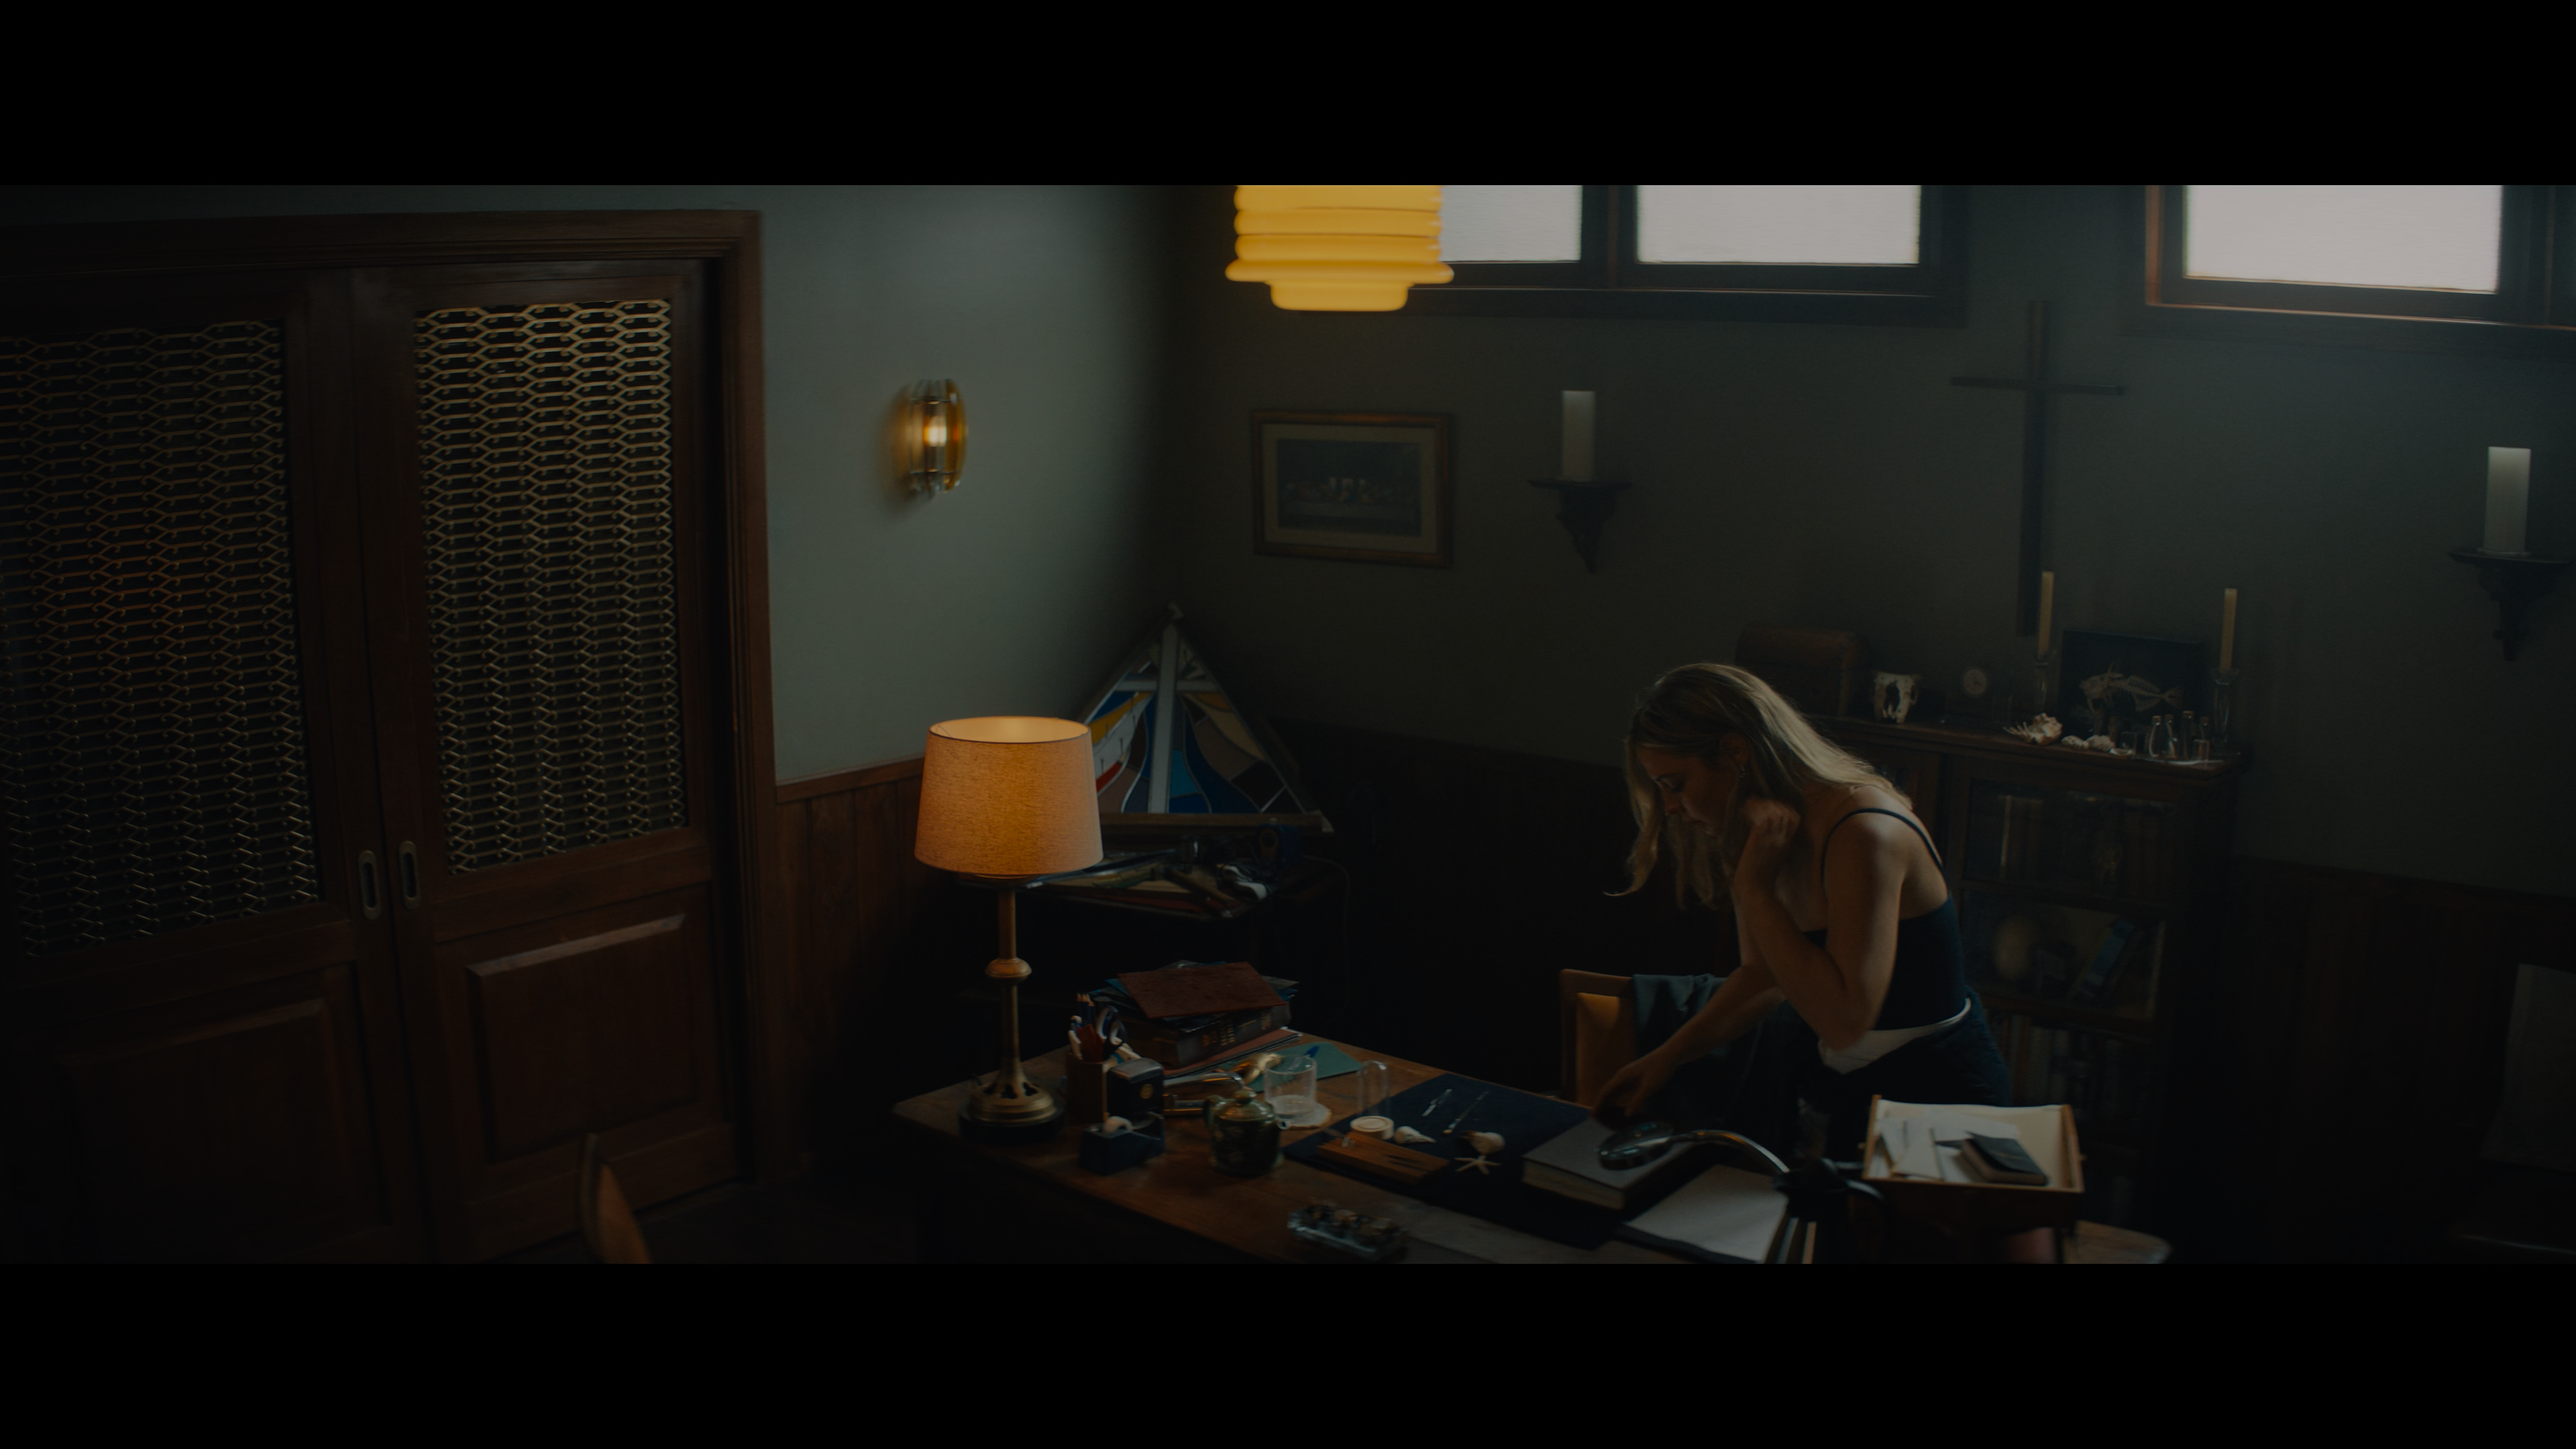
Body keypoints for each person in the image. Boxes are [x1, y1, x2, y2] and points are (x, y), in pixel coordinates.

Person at [1593, 663, 2011, 1159]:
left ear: (1735, 752)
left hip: (1934, 1099)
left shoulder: (1865, 832)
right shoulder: (1761, 829)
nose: (1670, 807)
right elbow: (1763, 977)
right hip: (1839, 1087)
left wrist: (1755, 890)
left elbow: (1846, 1022)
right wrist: (1668, 1056)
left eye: (1675, 783)